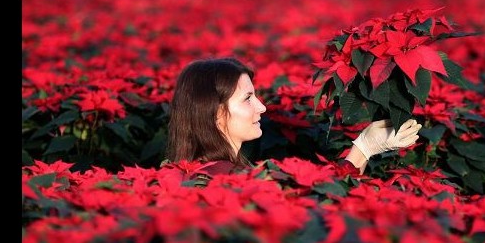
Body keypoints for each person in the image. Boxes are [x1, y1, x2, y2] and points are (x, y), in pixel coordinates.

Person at [165, 57, 422, 178]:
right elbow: (313, 204)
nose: (262, 107)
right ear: (215, 112)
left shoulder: (203, 171)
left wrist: (363, 149)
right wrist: (363, 147)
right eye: (247, 98)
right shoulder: (223, 179)